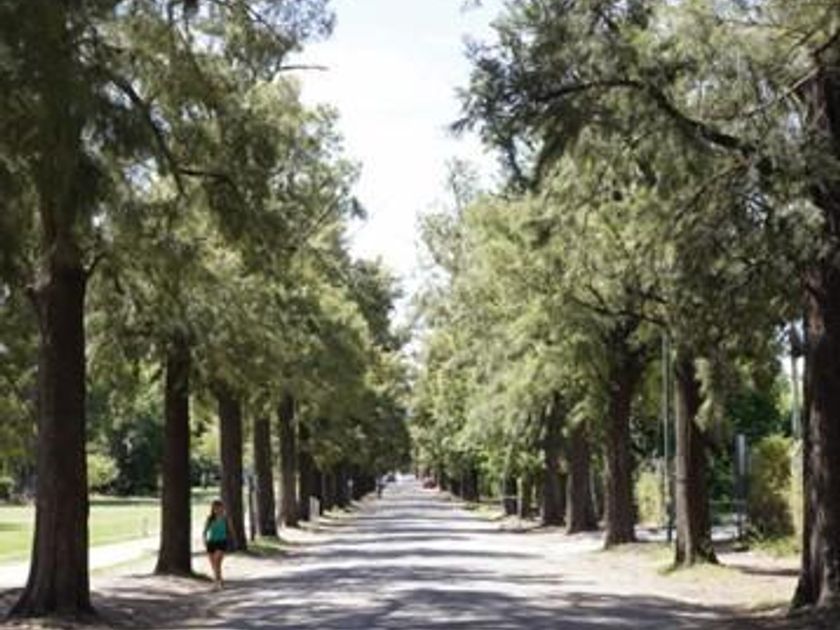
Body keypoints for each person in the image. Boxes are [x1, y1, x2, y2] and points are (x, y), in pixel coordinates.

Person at [204, 499, 233, 589]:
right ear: (213, 509)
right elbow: (205, 531)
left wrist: (231, 541)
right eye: (215, 508)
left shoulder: (226, 519)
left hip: (221, 542)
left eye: (219, 507)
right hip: (211, 542)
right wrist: (205, 540)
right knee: (214, 565)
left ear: (222, 508)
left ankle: (216, 584)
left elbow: (231, 530)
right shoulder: (210, 519)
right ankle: (220, 581)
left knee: (216, 562)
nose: (217, 510)